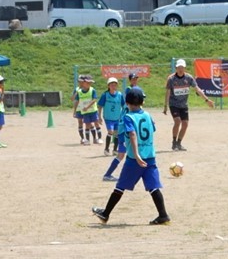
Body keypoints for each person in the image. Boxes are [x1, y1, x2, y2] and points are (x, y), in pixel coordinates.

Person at [92, 87, 171, 225]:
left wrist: (136, 154)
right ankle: (163, 215)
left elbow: (132, 134)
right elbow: (153, 129)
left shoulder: (128, 117)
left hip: (135, 159)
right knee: (153, 187)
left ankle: (105, 214)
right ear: (142, 102)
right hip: (150, 156)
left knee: (120, 186)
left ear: (127, 102)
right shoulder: (147, 115)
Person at [164, 59, 214, 151]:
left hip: (183, 104)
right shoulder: (171, 79)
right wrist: (165, 106)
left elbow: (197, 89)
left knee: (185, 124)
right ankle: (174, 142)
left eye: (182, 67)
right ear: (176, 68)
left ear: (185, 68)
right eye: (179, 67)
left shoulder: (189, 78)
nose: (180, 69)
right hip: (173, 104)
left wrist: (207, 100)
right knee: (177, 121)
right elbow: (167, 92)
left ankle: (179, 143)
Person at [97, 77, 125, 156]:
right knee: (111, 132)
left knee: (116, 133)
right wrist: (99, 116)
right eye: (112, 85)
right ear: (108, 86)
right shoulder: (105, 95)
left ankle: (115, 149)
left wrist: (123, 115)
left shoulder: (119, 95)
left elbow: (123, 106)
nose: (113, 86)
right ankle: (106, 148)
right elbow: (100, 106)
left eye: (115, 85)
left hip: (117, 117)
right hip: (108, 118)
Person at [72, 75, 101, 145]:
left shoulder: (91, 90)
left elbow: (94, 99)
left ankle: (95, 138)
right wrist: (74, 111)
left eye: (81, 81)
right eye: (79, 81)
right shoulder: (77, 90)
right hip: (80, 109)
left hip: (88, 109)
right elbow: (73, 99)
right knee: (81, 123)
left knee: (90, 124)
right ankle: (83, 138)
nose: (80, 82)